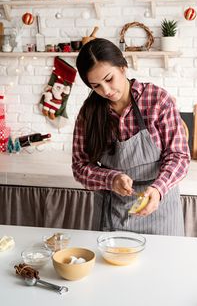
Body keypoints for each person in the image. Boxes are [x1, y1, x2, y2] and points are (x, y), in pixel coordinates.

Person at [72, 38, 190, 235]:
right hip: (112, 213)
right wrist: (111, 178)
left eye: (109, 79)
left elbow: (179, 156)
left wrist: (158, 189)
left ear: (123, 67)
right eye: (96, 86)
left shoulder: (157, 100)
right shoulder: (88, 113)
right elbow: (80, 166)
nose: (106, 91)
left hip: (160, 210)